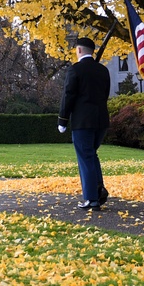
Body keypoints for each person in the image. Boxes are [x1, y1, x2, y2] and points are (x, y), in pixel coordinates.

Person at [58, 37, 111, 210]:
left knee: (86, 157)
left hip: (83, 121)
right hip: (101, 120)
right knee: (91, 155)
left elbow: (68, 96)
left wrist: (62, 119)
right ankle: (98, 189)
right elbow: (105, 94)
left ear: (79, 50)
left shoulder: (75, 70)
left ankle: (91, 198)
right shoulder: (103, 70)